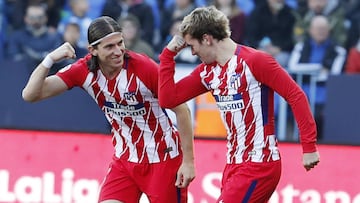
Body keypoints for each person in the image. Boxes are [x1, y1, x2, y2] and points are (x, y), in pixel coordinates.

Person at [22, 16, 195, 203]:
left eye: (120, 43)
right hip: (125, 160)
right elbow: (30, 95)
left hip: (164, 160)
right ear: (93, 50)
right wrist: (49, 59)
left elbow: (182, 109)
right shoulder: (83, 71)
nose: (118, 51)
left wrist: (189, 162)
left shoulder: (144, 68)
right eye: (109, 47)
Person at [158, 6, 320, 203]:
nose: (192, 53)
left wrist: (309, 146)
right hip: (233, 163)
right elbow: (168, 99)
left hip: (260, 162)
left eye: (193, 45)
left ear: (207, 38)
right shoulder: (207, 72)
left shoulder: (255, 61)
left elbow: (296, 95)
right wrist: (167, 56)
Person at [288, 15, 346, 139]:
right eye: (318, 28)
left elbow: (333, 74)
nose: (321, 31)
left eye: (323, 28)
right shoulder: (301, 47)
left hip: (326, 92)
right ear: (310, 30)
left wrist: (307, 71)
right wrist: (318, 69)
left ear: (329, 31)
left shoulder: (338, 50)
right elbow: (293, 67)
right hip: (302, 91)